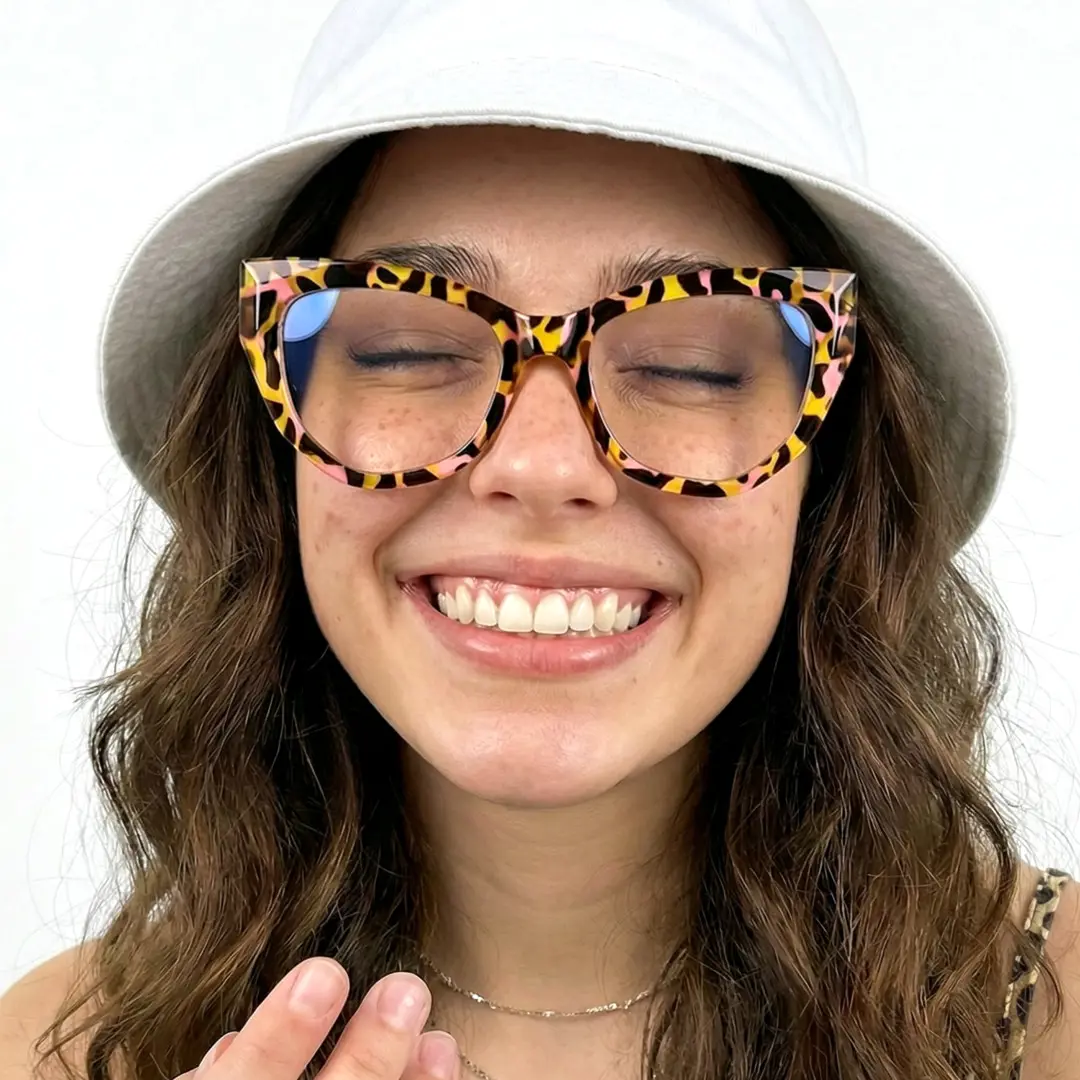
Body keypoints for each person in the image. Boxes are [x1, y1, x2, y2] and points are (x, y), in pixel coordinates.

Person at [1, 2, 1077, 1080]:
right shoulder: (61, 1045)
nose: (544, 465)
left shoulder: (1053, 1013)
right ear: (272, 447)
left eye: (690, 365)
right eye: (410, 346)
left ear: (833, 470)